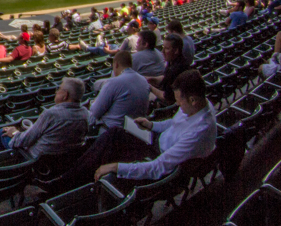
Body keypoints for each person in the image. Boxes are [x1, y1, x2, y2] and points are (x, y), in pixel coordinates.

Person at [52, 70, 216, 193]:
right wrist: (151, 125)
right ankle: (73, 178)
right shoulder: (199, 105)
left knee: (108, 151)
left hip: (157, 155)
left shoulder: (198, 132)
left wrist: (116, 167)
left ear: (193, 100)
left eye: (180, 100)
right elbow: (173, 124)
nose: (178, 104)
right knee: (114, 133)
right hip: (156, 140)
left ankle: (67, 184)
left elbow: (158, 167)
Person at [0, 78, 88, 156]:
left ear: (65, 95)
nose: (56, 92)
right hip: (63, 159)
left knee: (2, 132)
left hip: (35, 158)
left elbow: (25, 140)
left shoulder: (51, 114)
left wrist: (14, 133)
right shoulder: (86, 113)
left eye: (59, 89)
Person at [88, 51, 151, 130]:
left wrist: (94, 102)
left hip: (112, 132)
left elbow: (95, 112)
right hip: (137, 130)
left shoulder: (113, 82)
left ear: (116, 64)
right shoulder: (143, 80)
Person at [148, 34, 188, 104]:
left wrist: (149, 87)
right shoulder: (174, 61)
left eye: (167, 48)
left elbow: (166, 97)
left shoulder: (177, 69)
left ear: (176, 51)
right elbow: (167, 78)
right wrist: (152, 78)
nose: (162, 52)